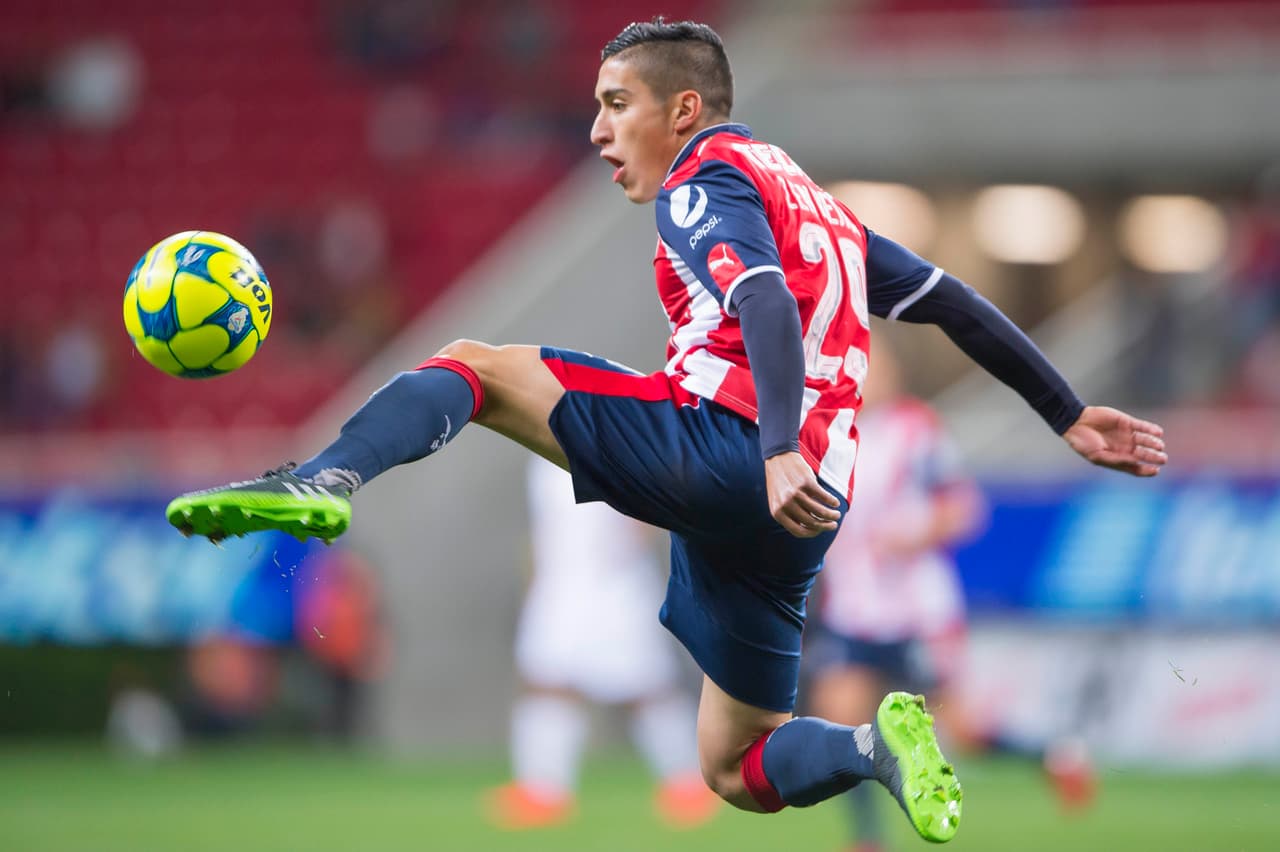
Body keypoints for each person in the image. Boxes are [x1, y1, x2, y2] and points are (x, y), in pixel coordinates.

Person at [166, 18, 1167, 844]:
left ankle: (326, 479)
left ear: (681, 109)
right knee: (732, 765)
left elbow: (765, 303)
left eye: (615, 105)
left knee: (473, 367)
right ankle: (870, 750)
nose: (598, 132)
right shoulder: (818, 208)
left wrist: (771, 445)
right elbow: (953, 305)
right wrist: (1066, 412)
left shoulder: (700, 181)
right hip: (807, 508)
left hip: (733, 448)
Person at [804, 335, 986, 852]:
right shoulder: (830, 433)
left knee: (965, 730)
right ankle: (867, 838)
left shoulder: (918, 431)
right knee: (838, 713)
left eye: (872, 365)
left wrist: (915, 534)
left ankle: (1053, 758)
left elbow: (965, 508)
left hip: (916, 610)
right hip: (855, 608)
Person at [486, 455, 717, 830]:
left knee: (645, 686)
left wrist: (629, 543)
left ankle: (688, 781)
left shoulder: (607, 427)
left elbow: (653, 490)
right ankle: (543, 790)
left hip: (612, 581)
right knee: (547, 679)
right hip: (560, 582)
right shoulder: (542, 448)